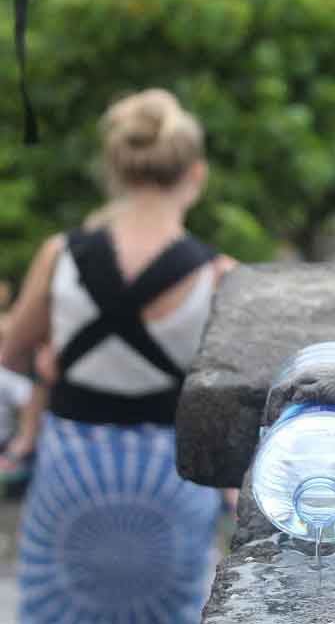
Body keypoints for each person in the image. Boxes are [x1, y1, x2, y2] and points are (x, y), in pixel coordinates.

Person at [0, 88, 237, 623]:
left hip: (71, 471)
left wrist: (52, 359)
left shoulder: (60, 256)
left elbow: (12, 354)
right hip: (171, 477)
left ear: (114, 170)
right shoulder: (219, 276)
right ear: (195, 176)